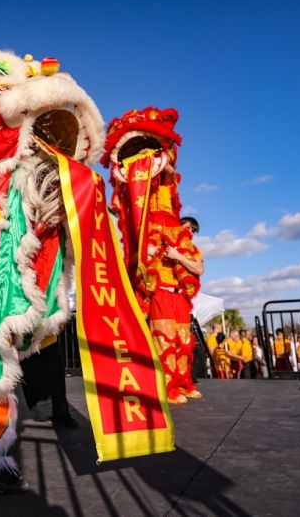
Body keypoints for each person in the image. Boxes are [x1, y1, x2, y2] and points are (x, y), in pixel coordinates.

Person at [105, 107, 204, 404]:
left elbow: (197, 267)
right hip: (156, 277)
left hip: (174, 276)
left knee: (183, 337)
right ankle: (167, 386)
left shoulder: (168, 183)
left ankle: (183, 382)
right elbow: (121, 208)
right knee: (162, 336)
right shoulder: (130, 192)